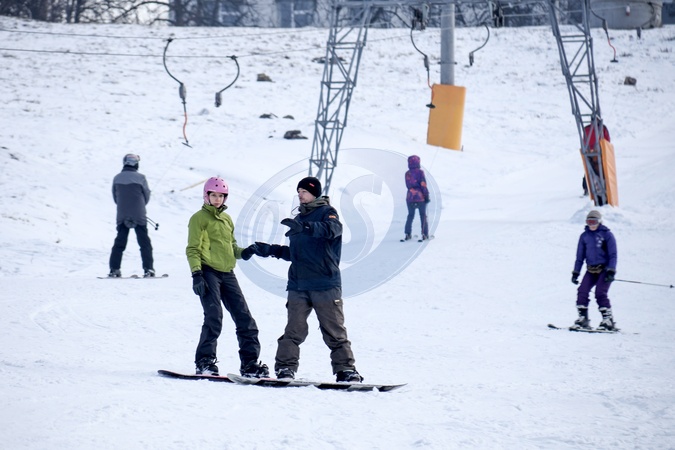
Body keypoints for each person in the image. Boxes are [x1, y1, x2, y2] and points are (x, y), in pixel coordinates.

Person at [253, 176, 363, 383]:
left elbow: (333, 230)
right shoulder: (299, 219)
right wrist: (269, 250)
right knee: (293, 330)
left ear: (314, 193)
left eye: (304, 191)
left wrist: (305, 228)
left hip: (325, 283)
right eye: (298, 192)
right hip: (298, 284)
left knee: (334, 331)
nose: (300, 195)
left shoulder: (328, 213)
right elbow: (297, 253)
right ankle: (285, 368)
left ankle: (346, 370)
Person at [186, 176, 269, 378]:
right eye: (213, 195)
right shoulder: (198, 219)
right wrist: (196, 273)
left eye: (221, 196)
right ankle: (204, 361)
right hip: (207, 272)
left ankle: (249, 364)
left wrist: (245, 252)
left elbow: (232, 247)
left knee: (245, 318)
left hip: (228, 273)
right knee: (214, 316)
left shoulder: (227, 219)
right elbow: (193, 249)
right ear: (206, 196)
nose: (217, 199)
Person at [108, 154, 155, 278]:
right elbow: (146, 196)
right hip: (139, 213)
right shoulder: (141, 178)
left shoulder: (117, 178)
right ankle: (148, 269)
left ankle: (114, 269)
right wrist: (139, 206)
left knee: (120, 242)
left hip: (122, 213)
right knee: (144, 242)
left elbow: (115, 197)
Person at [570, 210, 618, 330]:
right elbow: (580, 257)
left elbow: (613, 254)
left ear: (599, 221)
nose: (591, 225)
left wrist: (611, 270)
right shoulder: (584, 236)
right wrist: (576, 272)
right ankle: (583, 319)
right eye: (589, 222)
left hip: (604, 270)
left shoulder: (607, 235)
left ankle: (608, 320)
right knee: (582, 291)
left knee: (600, 293)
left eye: (594, 222)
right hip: (591, 270)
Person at [403, 155, 430, 242]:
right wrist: (426, 195)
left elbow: (408, 185)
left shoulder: (407, 173)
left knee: (410, 215)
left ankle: (407, 234)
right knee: (423, 215)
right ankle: (425, 234)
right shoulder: (420, 172)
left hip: (410, 197)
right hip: (420, 197)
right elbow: (423, 184)